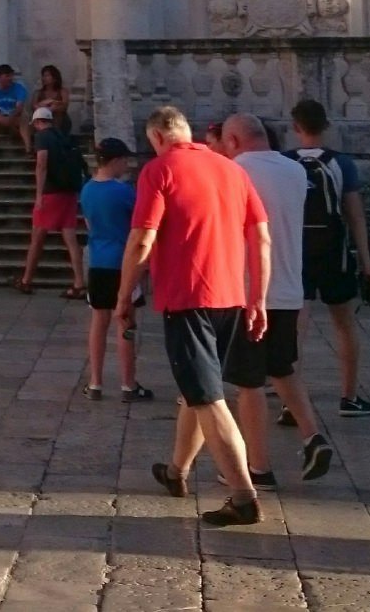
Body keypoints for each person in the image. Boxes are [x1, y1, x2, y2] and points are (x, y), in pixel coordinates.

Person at [115, 106, 271, 527]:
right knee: (196, 390)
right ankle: (176, 471)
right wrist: (257, 298)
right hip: (231, 296)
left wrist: (125, 294)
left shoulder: (159, 170)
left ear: (157, 138)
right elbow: (260, 237)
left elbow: (142, 239)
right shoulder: (232, 170)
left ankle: (242, 495)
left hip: (188, 298)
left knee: (207, 397)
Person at [220, 113, 336, 486]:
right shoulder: (295, 171)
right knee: (282, 367)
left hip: (247, 288)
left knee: (248, 382)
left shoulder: (233, 172)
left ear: (234, 141)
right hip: (288, 285)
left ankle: (258, 466)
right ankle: (311, 435)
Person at [289, 98, 370, 419]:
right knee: (343, 324)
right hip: (333, 252)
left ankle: (292, 402)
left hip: (296, 250)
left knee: (296, 327)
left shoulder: (285, 163)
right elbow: (355, 216)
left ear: (295, 127)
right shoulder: (342, 164)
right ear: (325, 126)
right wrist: (367, 262)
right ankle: (349, 396)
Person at [78, 139, 150, 403]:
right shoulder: (124, 193)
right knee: (126, 323)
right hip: (123, 264)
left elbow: (89, 224)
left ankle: (95, 382)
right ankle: (128, 384)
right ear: (116, 160)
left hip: (97, 263)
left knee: (98, 322)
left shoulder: (86, 191)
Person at [16, 107, 87, 299]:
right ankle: (79, 282)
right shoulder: (62, 136)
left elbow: (41, 164)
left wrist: (39, 195)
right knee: (71, 239)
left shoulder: (42, 137)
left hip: (51, 193)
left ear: (37, 122)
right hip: (69, 193)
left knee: (37, 238)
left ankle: (26, 280)